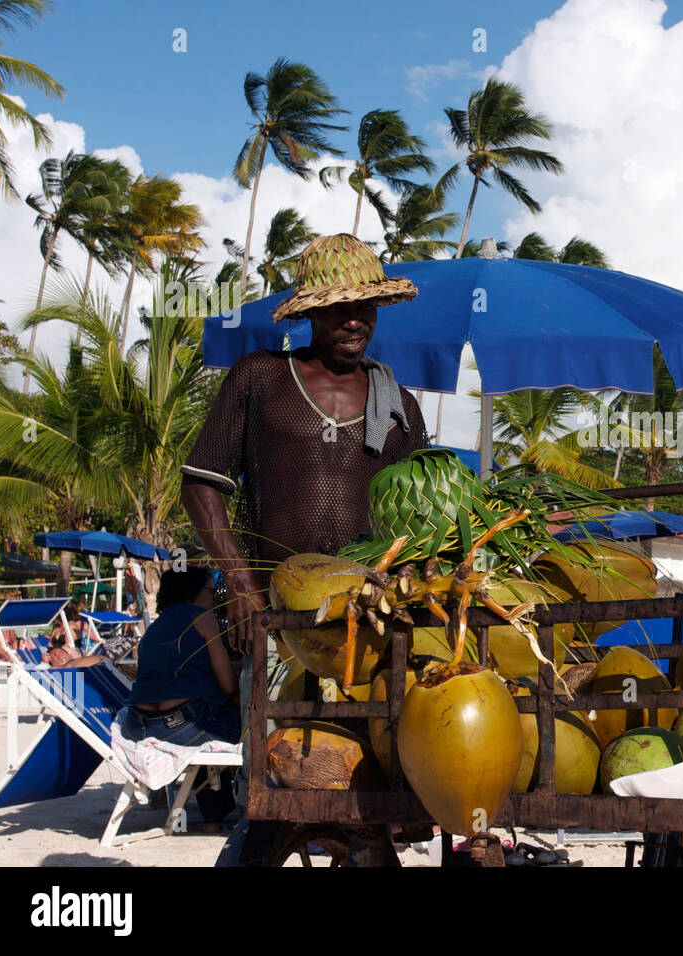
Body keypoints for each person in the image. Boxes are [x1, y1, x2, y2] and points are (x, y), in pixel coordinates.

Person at [180, 233, 427, 865]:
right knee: (274, 780)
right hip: (275, 616)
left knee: (365, 781)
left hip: (365, 624)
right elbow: (202, 486)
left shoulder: (399, 406)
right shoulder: (260, 378)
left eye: (365, 308)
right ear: (311, 314)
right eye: (339, 309)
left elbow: (422, 520)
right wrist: (239, 584)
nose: (353, 321)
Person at [120, 567, 239, 833]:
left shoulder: (156, 626)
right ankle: (230, 813)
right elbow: (229, 685)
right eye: (210, 592)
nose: (212, 599)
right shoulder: (204, 619)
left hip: (138, 725)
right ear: (193, 591)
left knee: (209, 720)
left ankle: (213, 819)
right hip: (182, 727)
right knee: (246, 719)